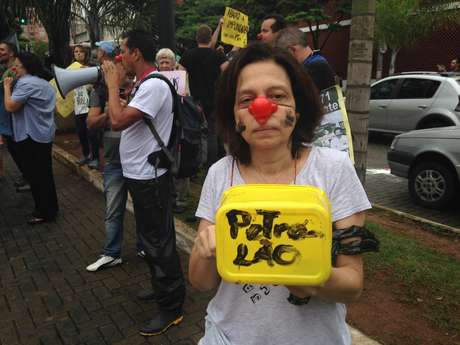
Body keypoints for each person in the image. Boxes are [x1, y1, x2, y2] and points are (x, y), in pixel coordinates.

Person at [189, 43, 379, 345]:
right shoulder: (220, 174)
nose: (261, 110)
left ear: (298, 107)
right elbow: (201, 282)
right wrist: (203, 251)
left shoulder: (332, 170)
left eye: (277, 96)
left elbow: (352, 284)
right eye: (246, 99)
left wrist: (311, 282)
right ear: (233, 114)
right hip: (229, 337)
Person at [102, 29, 185, 336]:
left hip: (149, 177)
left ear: (135, 53)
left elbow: (118, 120)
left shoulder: (152, 85)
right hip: (143, 174)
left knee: (158, 240)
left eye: (123, 50)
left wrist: (112, 87)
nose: (120, 56)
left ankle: (171, 307)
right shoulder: (145, 84)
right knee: (152, 237)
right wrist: (122, 90)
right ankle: (161, 286)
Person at [85, 55, 141, 271]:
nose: (120, 74)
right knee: (113, 210)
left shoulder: (140, 89)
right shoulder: (100, 92)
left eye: (122, 70)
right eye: (115, 70)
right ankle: (111, 253)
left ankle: (144, 246)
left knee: (144, 210)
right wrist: (110, 113)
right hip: (114, 162)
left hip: (137, 160)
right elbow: (91, 123)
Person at [3, 52, 58, 224]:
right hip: (43, 134)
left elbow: (10, 106)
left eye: (17, 66)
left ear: (26, 67)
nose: (15, 69)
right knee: (45, 174)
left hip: (30, 135)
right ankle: (50, 209)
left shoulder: (25, 84)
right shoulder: (44, 84)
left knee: (36, 176)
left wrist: (6, 87)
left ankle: (43, 211)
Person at [180, 24, 228, 166]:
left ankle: (197, 162)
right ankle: (211, 163)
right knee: (212, 133)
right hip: (214, 100)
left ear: (196, 38)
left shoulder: (188, 55)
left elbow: (180, 73)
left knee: (195, 131)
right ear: (210, 38)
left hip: (195, 102)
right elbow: (228, 71)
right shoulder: (218, 55)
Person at [155, 48, 190, 213]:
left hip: (179, 126)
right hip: (162, 129)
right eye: (161, 62)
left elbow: (186, 97)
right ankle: (170, 196)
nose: (164, 64)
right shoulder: (154, 79)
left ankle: (182, 199)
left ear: (173, 63)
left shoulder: (181, 78)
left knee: (180, 163)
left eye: (167, 61)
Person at [0, 41, 30, 191]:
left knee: (19, 151)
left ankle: (30, 178)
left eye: (2, 49)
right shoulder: (5, 70)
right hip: (7, 119)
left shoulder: (13, 73)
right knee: (14, 150)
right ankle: (27, 176)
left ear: (11, 53)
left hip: (14, 119)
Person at [275, 27, 336, 91]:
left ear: (292, 50)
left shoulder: (314, 66)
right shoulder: (316, 61)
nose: (285, 59)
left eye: (284, 55)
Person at [72, 45, 100, 169]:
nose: (78, 54)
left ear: (86, 53)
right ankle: (85, 154)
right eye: (76, 52)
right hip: (78, 105)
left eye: (81, 52)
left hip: (90, 105)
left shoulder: (92, 67)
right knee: (81, 132)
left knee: (92, 132)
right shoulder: (71, 69)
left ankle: (95, 157)